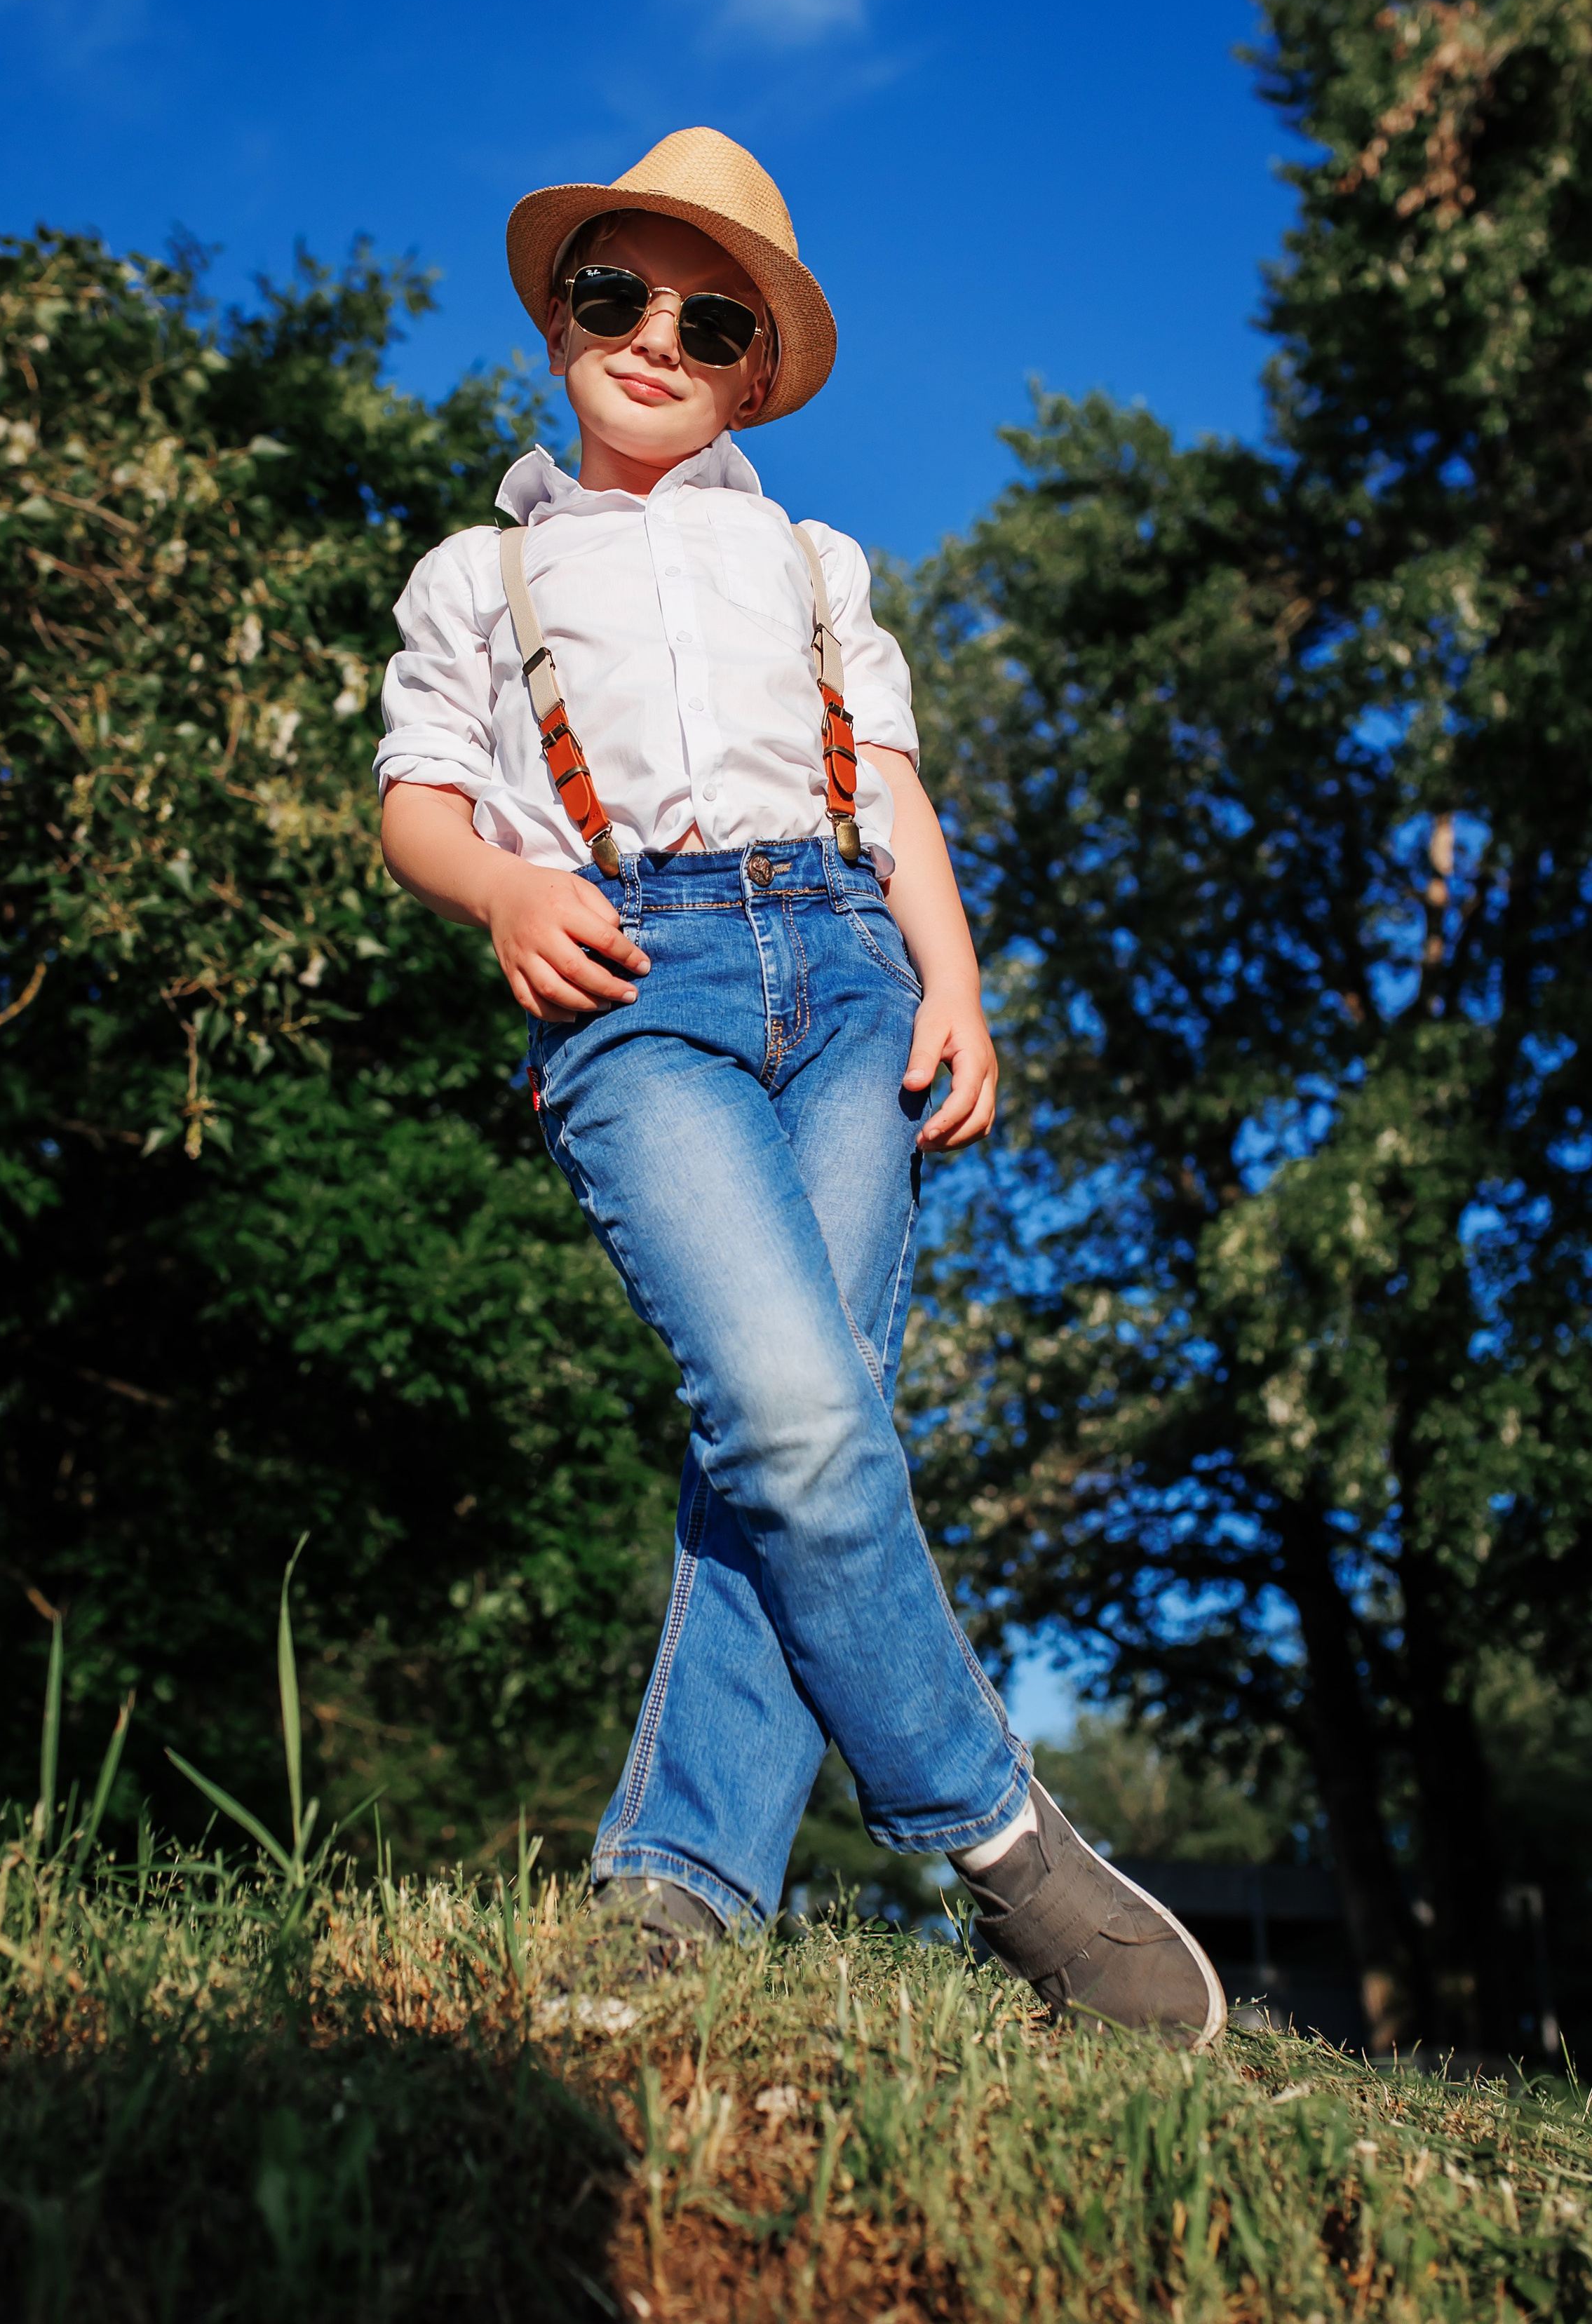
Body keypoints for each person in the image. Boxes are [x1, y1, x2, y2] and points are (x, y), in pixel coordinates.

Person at [375, 128, 1224, 2045]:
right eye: (619, 296)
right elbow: (418, 801)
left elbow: (891, 790)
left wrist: (960, 985)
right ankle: (1002, 1837)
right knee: (798, 1419)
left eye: (710, 322)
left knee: (788, 1441)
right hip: (633, 988)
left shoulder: (816, 563)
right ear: (559, 317)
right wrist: (504, 886)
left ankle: (679, 1891)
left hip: (849, 987)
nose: (655, 340)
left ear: (756, 372)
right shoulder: (481, 573)